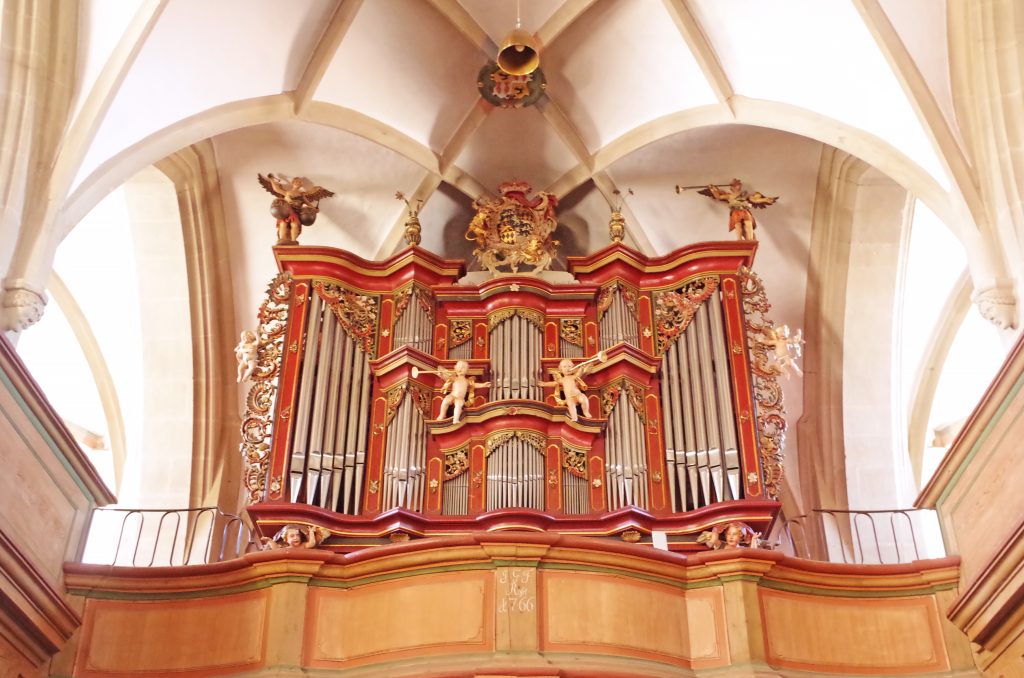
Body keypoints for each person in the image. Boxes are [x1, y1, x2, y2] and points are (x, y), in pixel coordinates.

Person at [698, 178, 778, 240]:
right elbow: (718, 197)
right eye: (736, 185)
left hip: (745, 210)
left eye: (739, 185)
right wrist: (713, 190)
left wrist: (765, 199)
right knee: (738, 225)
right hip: (735, 211)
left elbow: (754, 200)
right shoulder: (729, 195)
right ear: (732, 187)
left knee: (748, 224)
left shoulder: (745, 194)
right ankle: (739, 239)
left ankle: (750, 240)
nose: (738, 186)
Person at [539, 358, 594, 422]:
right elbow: (554, 383)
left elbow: (579, 374)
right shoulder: (562, 380)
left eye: (569, 366)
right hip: (570, 398)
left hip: (577, 394)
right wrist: (544, 384)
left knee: (584, 398)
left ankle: (586, 412)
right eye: (564, 367)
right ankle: (574, 417)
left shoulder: (573, 377)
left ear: (573, 368)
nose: (567, 368)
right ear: (561, 370)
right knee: (571, 405)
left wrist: (581, 368)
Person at [438, 360, 491, 424]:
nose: (461, 369)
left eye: (463, 368)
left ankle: (456, 419)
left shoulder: (467, 381)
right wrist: (441, 373)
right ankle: (442, 414)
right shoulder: (455, 378)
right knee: (446, 400)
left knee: (458, 405)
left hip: (460, 398)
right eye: (460, 367)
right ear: (456, 368)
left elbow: (474, 385)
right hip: (453, 395)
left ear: (466, 370)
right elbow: (446, 377)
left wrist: (483, 385)